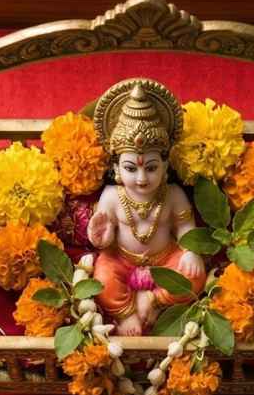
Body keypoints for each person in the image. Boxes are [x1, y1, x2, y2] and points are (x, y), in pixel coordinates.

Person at [85, 81, 206, 335]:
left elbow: (185, 227)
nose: (141, 179)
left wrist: (191, 252)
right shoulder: (111, 196)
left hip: (165, 259)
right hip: (122, 259)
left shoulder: (173, 194)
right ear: (117, 169)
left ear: (165, 166)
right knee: (102, 278)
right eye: (131, 168)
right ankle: (127, 313)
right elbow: (105, 237)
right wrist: (100, 239)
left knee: (194, 277)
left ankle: (155, 301)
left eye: (151, 168)